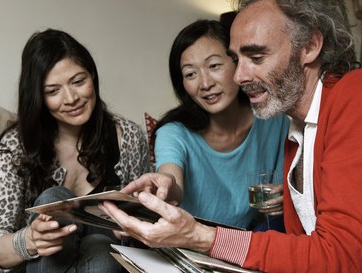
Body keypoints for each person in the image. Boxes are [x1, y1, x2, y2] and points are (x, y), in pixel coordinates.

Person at [100, 0, 362, 272]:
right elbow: (305, 245)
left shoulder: (352, 94)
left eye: (256, 58)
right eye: (237, 59)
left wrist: (204, 238)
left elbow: (344, 253)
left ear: (309, 46)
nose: (239, 76)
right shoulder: (296, 129)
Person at [0, 29, 149, 272]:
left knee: (102, 252)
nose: (71, 98)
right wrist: (30, 240)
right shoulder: (15, 146)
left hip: (105, 259)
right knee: (53, 200)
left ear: (92, 76)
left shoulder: (128, 137)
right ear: (38, 97)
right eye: (53, 91)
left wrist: (131, 228)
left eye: (78, 81)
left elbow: (144, 221)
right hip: (38, 265)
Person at [149, 19, 289, 230]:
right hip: (191, 242)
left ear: (237, 63)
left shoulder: (273, 120)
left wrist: (285, 196)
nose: (205, 84)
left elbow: (289, 186)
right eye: (190, 74)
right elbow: (171, 180)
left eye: (214, 66)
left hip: (248, 240)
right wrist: (166, 187)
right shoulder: (173, 133)